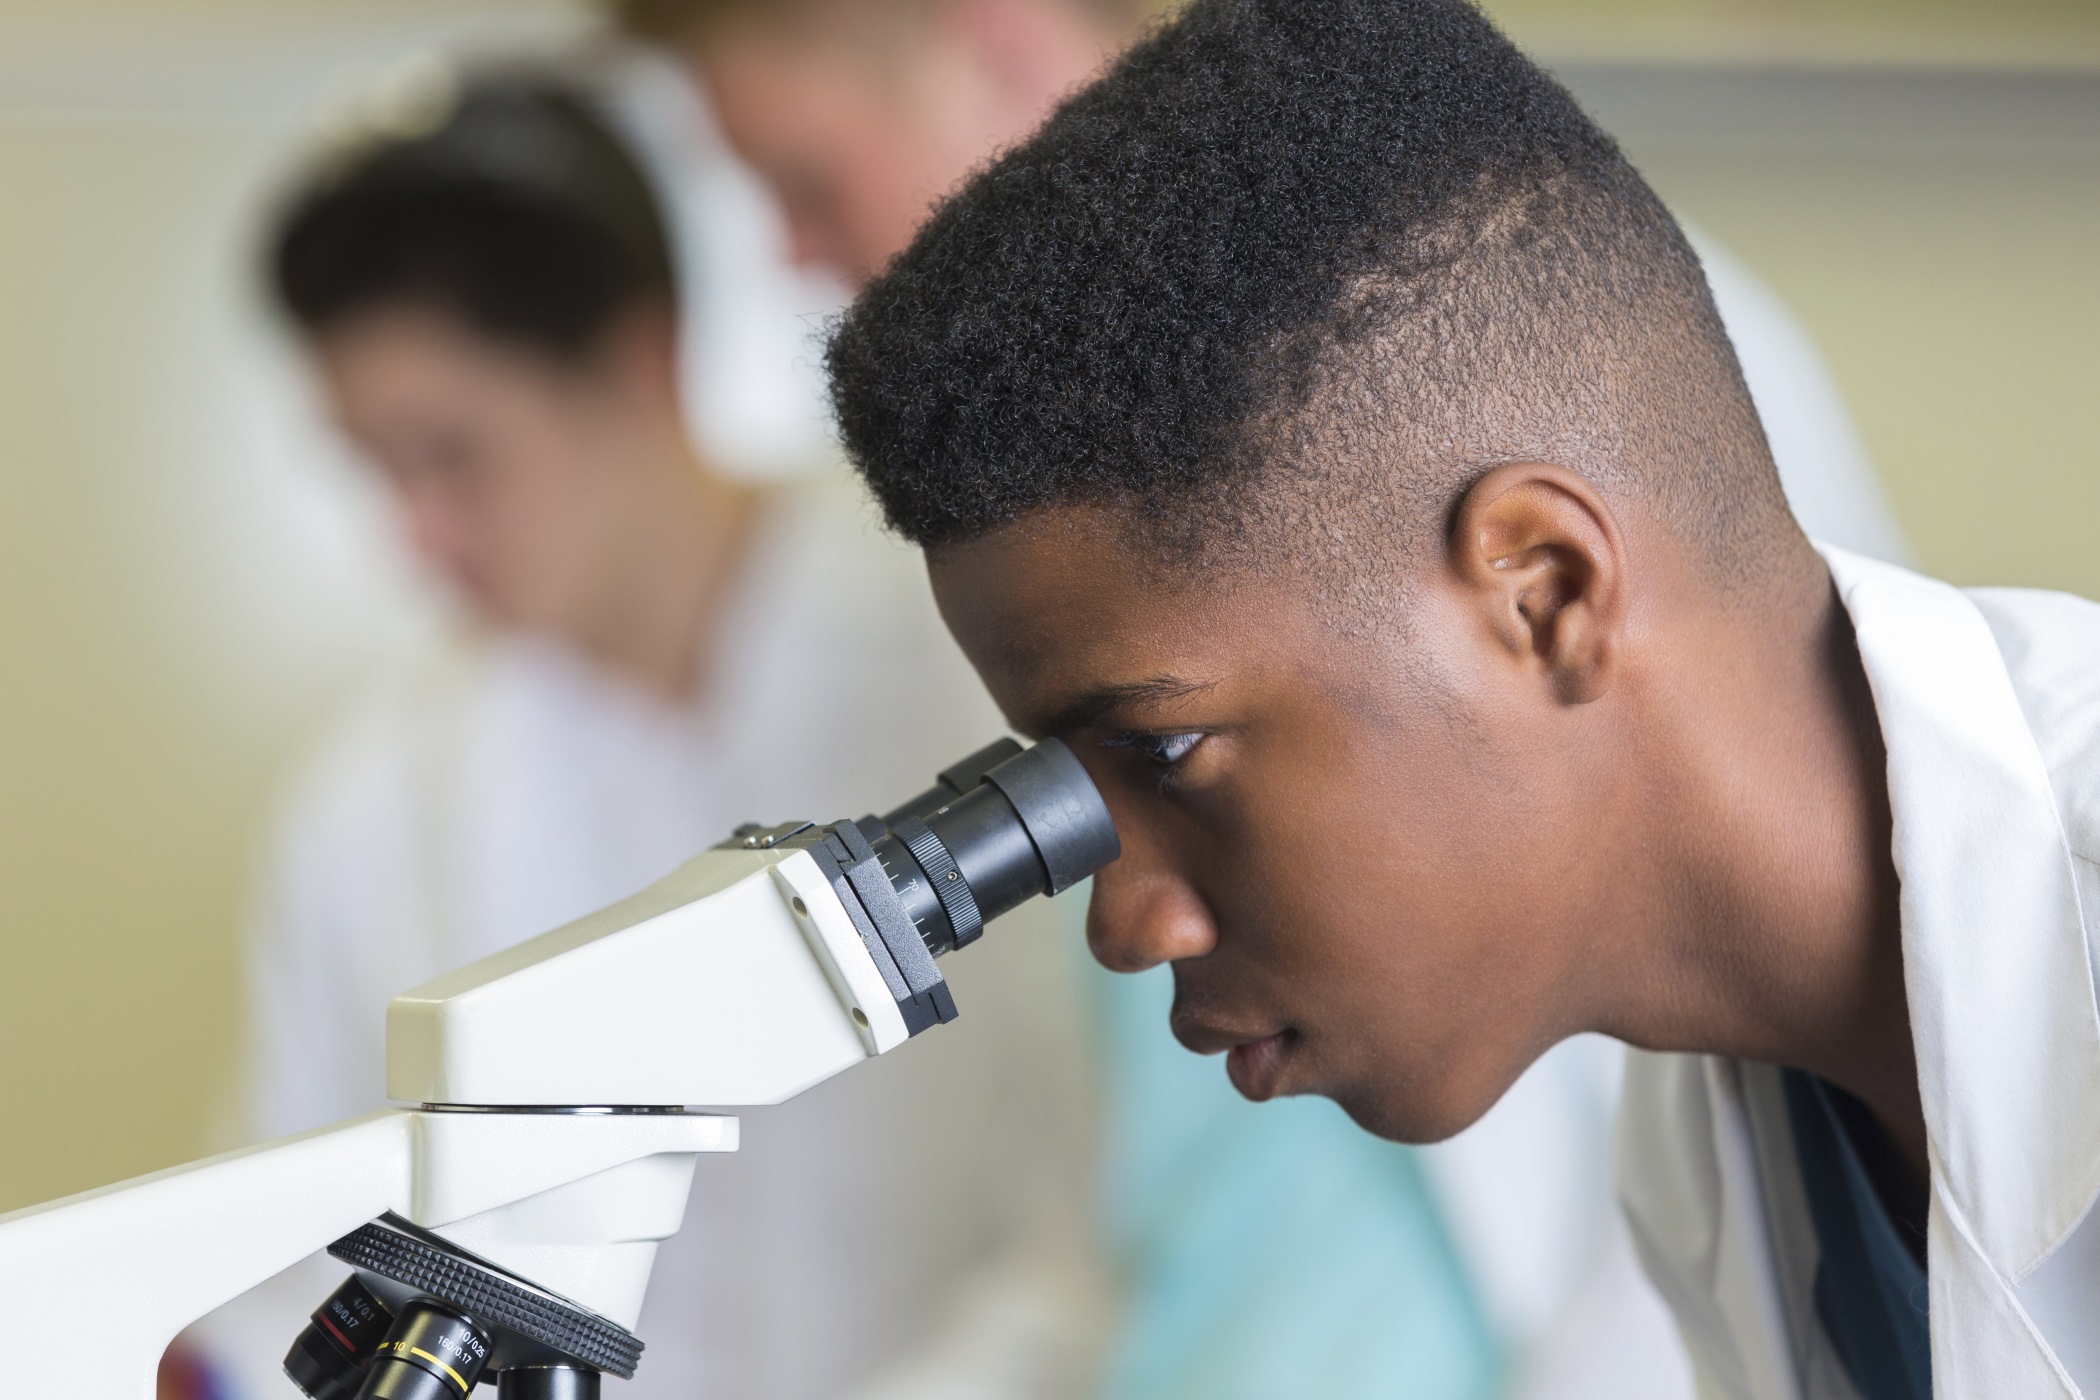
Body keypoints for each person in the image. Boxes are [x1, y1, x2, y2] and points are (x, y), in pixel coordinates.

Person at [615, 0, 1907, 1395]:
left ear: (1543, 590)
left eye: (804, 178)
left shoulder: (1457, 344)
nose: (1127, 922)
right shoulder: (1726, 1150)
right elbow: (1120, 1227)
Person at [207, 73, 1106, 1400]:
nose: (414, 539)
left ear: (642, 360)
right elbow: (286, 1263)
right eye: (374, 467)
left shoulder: (975, 663)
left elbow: (1092, 1237)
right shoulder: (372, 804)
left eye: (452, 454)